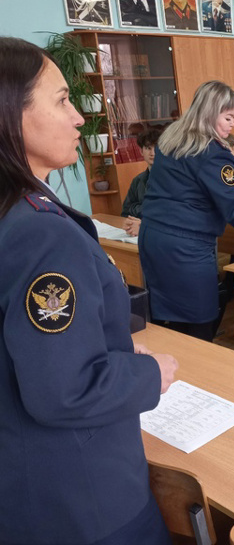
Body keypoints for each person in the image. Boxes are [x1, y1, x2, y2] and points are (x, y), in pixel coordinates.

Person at [0, 37, 178, 544]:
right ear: (10, 115)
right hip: (81, 501)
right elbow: (64, 390)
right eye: (61, 100)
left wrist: (108, 350)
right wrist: (148, 373)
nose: (80, 118)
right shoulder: (41, 235)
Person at [140, 81, 234, 341]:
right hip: (185, 247)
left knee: (169, 321)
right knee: (200, 322)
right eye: (228, 117)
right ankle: (194, 377)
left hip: (153, 238)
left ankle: (172, 375)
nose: (232, 124)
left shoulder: (172, 140)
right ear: (210, 114)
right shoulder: (211, 152)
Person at [121, 127, 160, 237]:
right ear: (141, 151)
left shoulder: (173, 178)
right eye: (148, 148)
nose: (152, 153)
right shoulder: (138, 180)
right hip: (137, 234)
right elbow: (126, 211)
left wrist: (138, 209)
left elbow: (167, 213)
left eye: (157, 148)